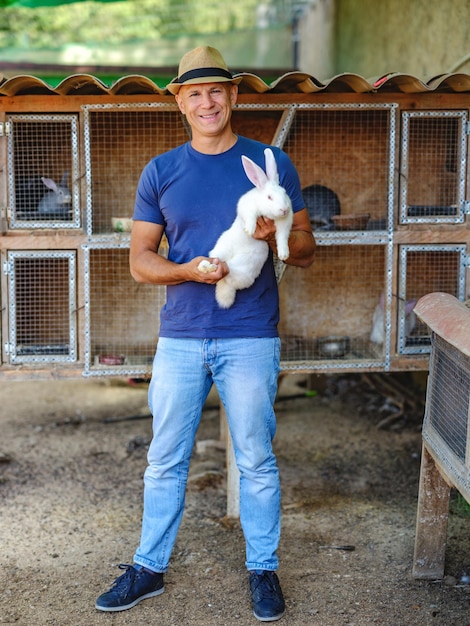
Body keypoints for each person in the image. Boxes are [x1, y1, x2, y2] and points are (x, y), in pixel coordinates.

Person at [95, 45, 316, 622]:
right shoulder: (162, 170)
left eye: (216, 90)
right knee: (165, 458)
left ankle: (263, 569)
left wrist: (272, 237)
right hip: (182, 336)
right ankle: (148, 567)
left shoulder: (271, 164)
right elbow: (140, 260)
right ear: (181, 104)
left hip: (250, 335)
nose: (207, 101)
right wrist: (188, 270)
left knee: (256, 457)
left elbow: (308, 251)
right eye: (194, 93)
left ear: (234, 96)